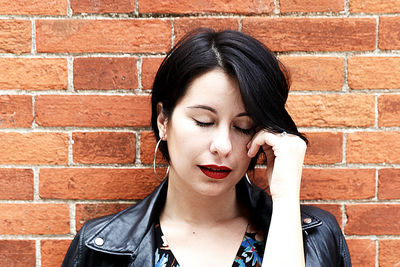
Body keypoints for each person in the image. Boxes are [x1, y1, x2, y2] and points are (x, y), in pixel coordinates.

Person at [62, 28, 351, 267]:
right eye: (203, 121)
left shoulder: (315, 237)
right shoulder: (100, 248)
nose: (222, 146)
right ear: (164, 120)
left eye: (243, 127)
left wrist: (286, 198)